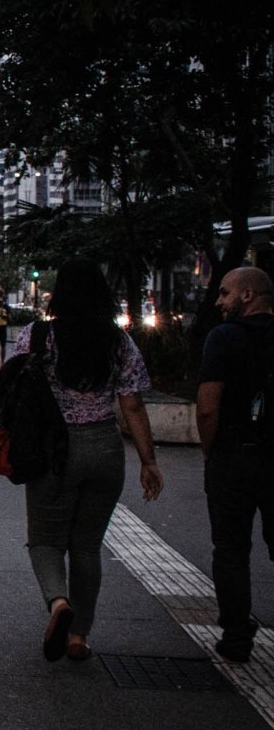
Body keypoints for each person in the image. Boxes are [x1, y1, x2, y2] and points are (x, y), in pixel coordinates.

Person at [14, 258, 162, 663]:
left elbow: (15, 394)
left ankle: (58, 603)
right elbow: (132, 405)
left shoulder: (37, 336)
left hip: (53, 450)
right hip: (105, 448)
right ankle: (79, 636)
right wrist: (148, 461)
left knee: (45, 540)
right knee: (87, 545)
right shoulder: (118, 341)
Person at [196, 267, 274, 663]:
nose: (219, 300)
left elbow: (209, 405)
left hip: (234, 456)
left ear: (247, 295)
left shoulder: (224, 338)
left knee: (230, 549)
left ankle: (237, 636)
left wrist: (211, 453)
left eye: (225, 293)